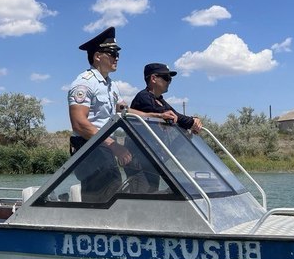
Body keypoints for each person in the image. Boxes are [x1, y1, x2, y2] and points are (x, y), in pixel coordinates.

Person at [67, 27, 134, 201]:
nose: (116, 57)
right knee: (108, 196)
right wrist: (114, 145)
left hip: (103, 147)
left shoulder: (110, 85)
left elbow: (124, 111)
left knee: (113, 192)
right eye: (112, 53)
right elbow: (80, 124)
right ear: (97, 56)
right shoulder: (84, 83)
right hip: (89, 149)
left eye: (117, 53)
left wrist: (156, 116)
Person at [130, 63, 203, 133]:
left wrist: (194, 120)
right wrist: (192, 122)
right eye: (166, 78)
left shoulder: (160, 100)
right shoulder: (143, 97)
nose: (169, 82)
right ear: (153, 78)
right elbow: (166, 114)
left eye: (170, 79)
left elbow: (176, 115)